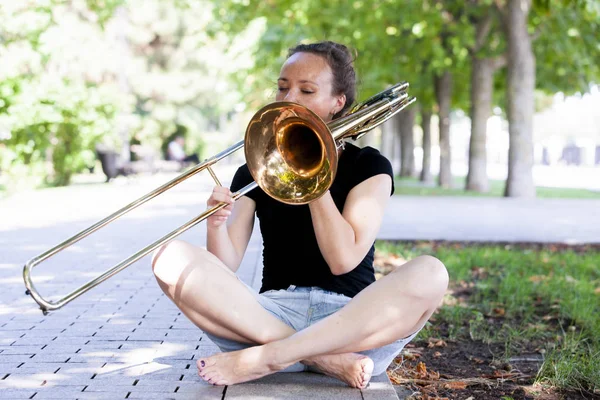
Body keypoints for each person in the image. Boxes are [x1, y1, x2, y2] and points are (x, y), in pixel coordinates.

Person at [151, 41, 449, 389]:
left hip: (352, 324)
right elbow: (224, 264)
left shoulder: (370, 166)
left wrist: (313, 175)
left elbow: (342, 261)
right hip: (267, 319)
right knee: (169, 258)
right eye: (282, 87)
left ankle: (272, 357)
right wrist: (215, 223)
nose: (289, 97)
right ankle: (322, 360)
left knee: (431, 272)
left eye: (307, 90)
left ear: (339, 102)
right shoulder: (256, 168)